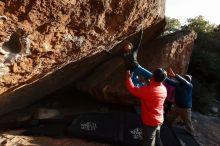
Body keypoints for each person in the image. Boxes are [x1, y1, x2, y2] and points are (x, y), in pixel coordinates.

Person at [165, 68, 195, 136]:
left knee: (187, 122)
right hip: (177, 106)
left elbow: (183, 81)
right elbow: (169, 81)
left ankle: (191, 132)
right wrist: (163, 76)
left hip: (186, 109)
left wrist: (175, 75)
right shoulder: (178, 84)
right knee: (170, 118)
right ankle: (166, 128)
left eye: (185, 78)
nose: (184, 79)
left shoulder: (189, 86)